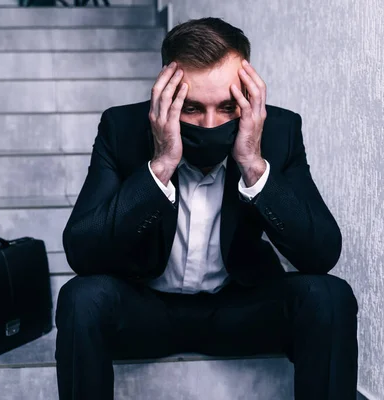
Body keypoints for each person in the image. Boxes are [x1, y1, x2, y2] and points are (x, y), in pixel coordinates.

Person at [55, 17, 359, 400]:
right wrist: (161, 164)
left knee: (329, 296)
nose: (211, 123)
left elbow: (322, 253)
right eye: (192, 108)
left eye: (228, 107)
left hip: (238, 309)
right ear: (166, 96)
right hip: (145, 310)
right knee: (80, 298)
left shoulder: (278, 132)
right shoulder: (123, 129)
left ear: (248, 97)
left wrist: (253, 163)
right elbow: (82, 252)